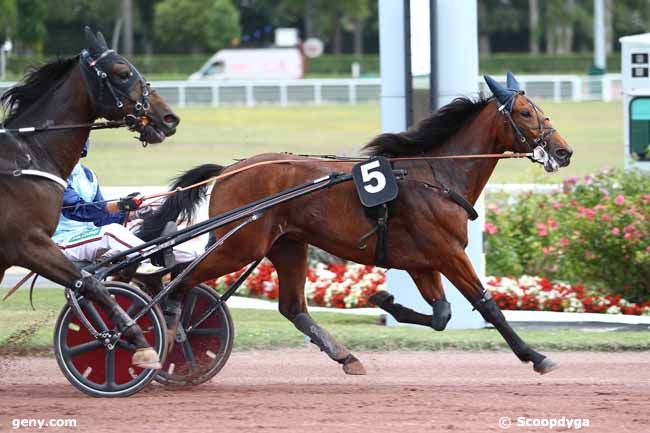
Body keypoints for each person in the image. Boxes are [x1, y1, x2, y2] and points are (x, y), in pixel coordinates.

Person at [53, 139, 195, 267]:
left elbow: (100, 218)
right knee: (112, 232)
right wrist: (122, 205)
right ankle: (156, 254)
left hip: (87, 238)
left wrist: (135, 213)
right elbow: (79, 210)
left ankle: (192, 257)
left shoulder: (88, 175)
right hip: (63, 242)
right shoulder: (57, 176)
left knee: (132, 229)